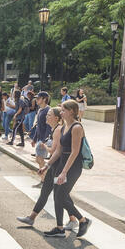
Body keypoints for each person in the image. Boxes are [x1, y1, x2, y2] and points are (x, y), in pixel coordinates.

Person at [16, 107, 80, 232]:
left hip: (57, 166)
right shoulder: (55, 129)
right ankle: (32, 217)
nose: (46, 117)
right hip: (54, 166)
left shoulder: (58, 130)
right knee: (48, 192)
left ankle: (76, 220)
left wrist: (45, 147)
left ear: (56, 118)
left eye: (49, 115)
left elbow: (56, 151)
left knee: (61, 196)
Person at [43, 100, 91, 238]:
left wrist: (64, 172)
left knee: (61, 196)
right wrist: (47, 165)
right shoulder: (64, 126)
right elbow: (59, 150)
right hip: (61, 165)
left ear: (71, 111)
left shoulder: (77, 127)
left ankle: (83, 220)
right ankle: (59, 228)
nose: (61, 112)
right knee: (57, 196)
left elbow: (74, 152)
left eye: (63, 110)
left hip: (73, 167)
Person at [29, 91, 52, 179]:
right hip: (40, 139)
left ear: (44, 99)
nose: (36, 100)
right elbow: (38, 126)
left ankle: (44, 179)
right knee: (39, 159)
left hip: (44, 140)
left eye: (38, 98)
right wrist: (34, 139)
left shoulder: (48, 110)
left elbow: (48, 127)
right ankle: (44, 178)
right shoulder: (40, 110)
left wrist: (44, 141)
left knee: (39, 159)